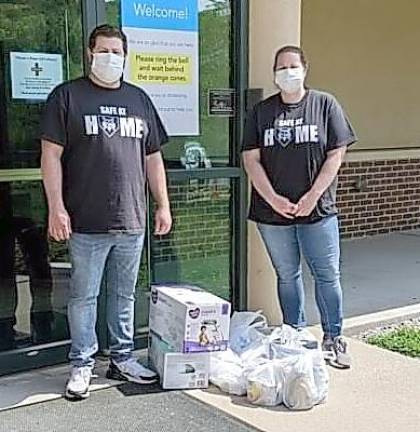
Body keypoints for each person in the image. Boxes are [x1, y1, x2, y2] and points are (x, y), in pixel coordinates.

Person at [40, 24, 172, 399]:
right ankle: (82, 364)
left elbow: (153, 157)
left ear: (125, 57)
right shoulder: (67, 97)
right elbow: (50, 156)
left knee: (124, 295)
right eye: (104, 51)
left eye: (117, 52)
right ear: (89, 53)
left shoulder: (139, 99)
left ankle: (122, 357)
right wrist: (57, 208)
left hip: (131, 219)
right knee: (84, 297)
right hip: (85, 221)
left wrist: (162, 204)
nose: (111, 58)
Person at [242, 46, 357, 368]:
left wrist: (312, 196)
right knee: (287, 275)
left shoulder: (324, 104)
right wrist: (273, 199)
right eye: (281, 67)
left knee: (326, 274)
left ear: (305, 68)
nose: (287, 72)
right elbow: (250, 159)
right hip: (272, 213)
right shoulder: (262, 112)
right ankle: (295, 333)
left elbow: (336, 153)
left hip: (318, 212)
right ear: (274, 72)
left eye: (293, 66)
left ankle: (334, 337)